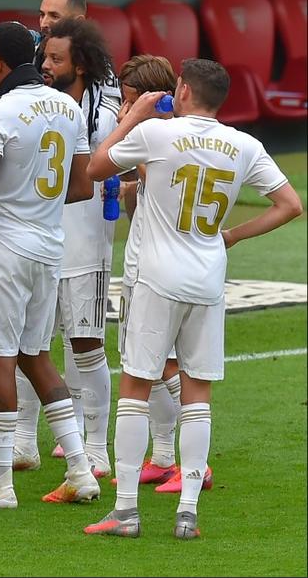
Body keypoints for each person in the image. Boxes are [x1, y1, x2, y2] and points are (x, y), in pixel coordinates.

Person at [84, 58, 302, 539]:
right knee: (197, 392)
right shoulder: (245, 145)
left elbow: (96, 167)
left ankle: (125, 512)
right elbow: (291, 205)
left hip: (157, 277)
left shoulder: (157, 134)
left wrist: (131, 117)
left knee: (136, 387)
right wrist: (233, 236)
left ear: (181, 90)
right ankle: (187, 512)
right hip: (207, 278)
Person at [0, 0, 121, 461]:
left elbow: (94, 173)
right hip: (47, 235)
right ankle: (29, 444)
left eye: (54, 18)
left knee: (74, 345)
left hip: (73, 237)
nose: (44, 25)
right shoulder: (44, 93)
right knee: (32, 347)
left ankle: (92, 450)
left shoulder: (102, 100)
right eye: (41, 17)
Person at [114, 54, 196, 491]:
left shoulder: (164, 138)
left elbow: (155, 179)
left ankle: (194, 461)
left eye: (131, 100)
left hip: (158, 267)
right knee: (153, 362)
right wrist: (131, 186)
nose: (124, 108)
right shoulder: (162, 138)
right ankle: (164, 456)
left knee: (159, 363)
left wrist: (128, 126)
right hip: (147, 257)